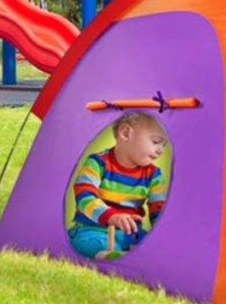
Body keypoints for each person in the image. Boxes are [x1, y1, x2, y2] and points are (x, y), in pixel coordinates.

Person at [68, 111, 168, 259]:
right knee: (94, 244)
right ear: (126, 133)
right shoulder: (98, 163)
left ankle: (130, 256)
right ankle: (120, 258)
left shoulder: (154, 174)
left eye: (164, 144)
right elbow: (84, 196)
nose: (160, 150)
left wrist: (163, 237)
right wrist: (111, 216)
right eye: (155, 142)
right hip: (93, 229)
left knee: (158, 249)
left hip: (131, 234)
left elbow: (158, 210)